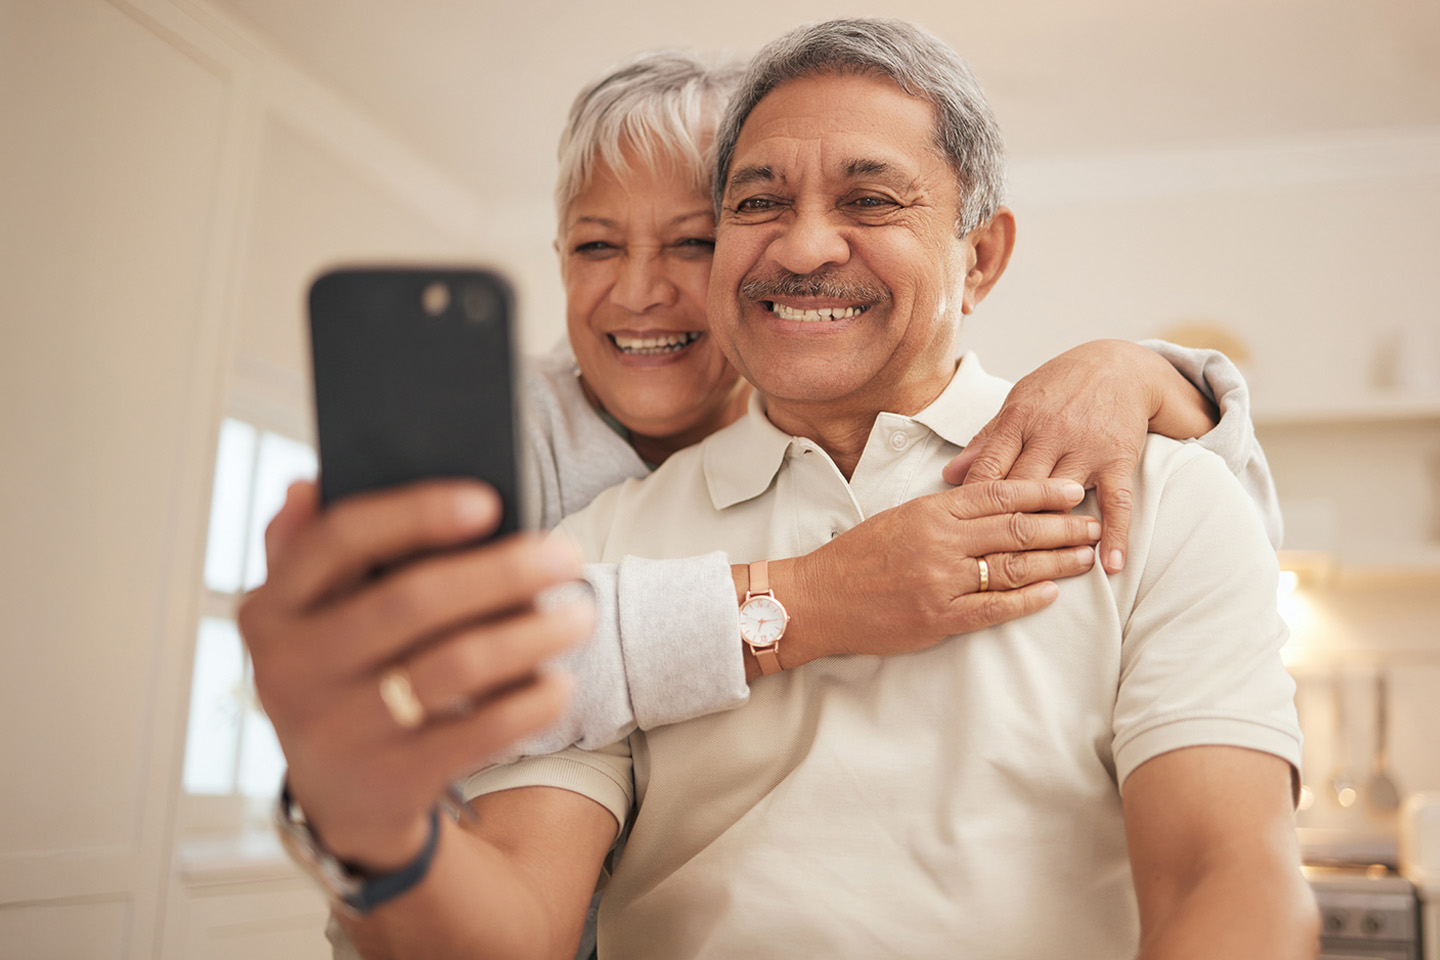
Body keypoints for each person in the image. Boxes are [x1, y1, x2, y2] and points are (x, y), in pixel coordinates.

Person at [239, 38, 1303, 959]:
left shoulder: (1159, 493)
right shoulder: (599, 539)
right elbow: (514, 929)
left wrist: (1143, 369)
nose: (799, 246)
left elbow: (1230, 878)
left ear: (980, 257)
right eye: (755, 204)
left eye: (870, 199)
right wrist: (366, 815)